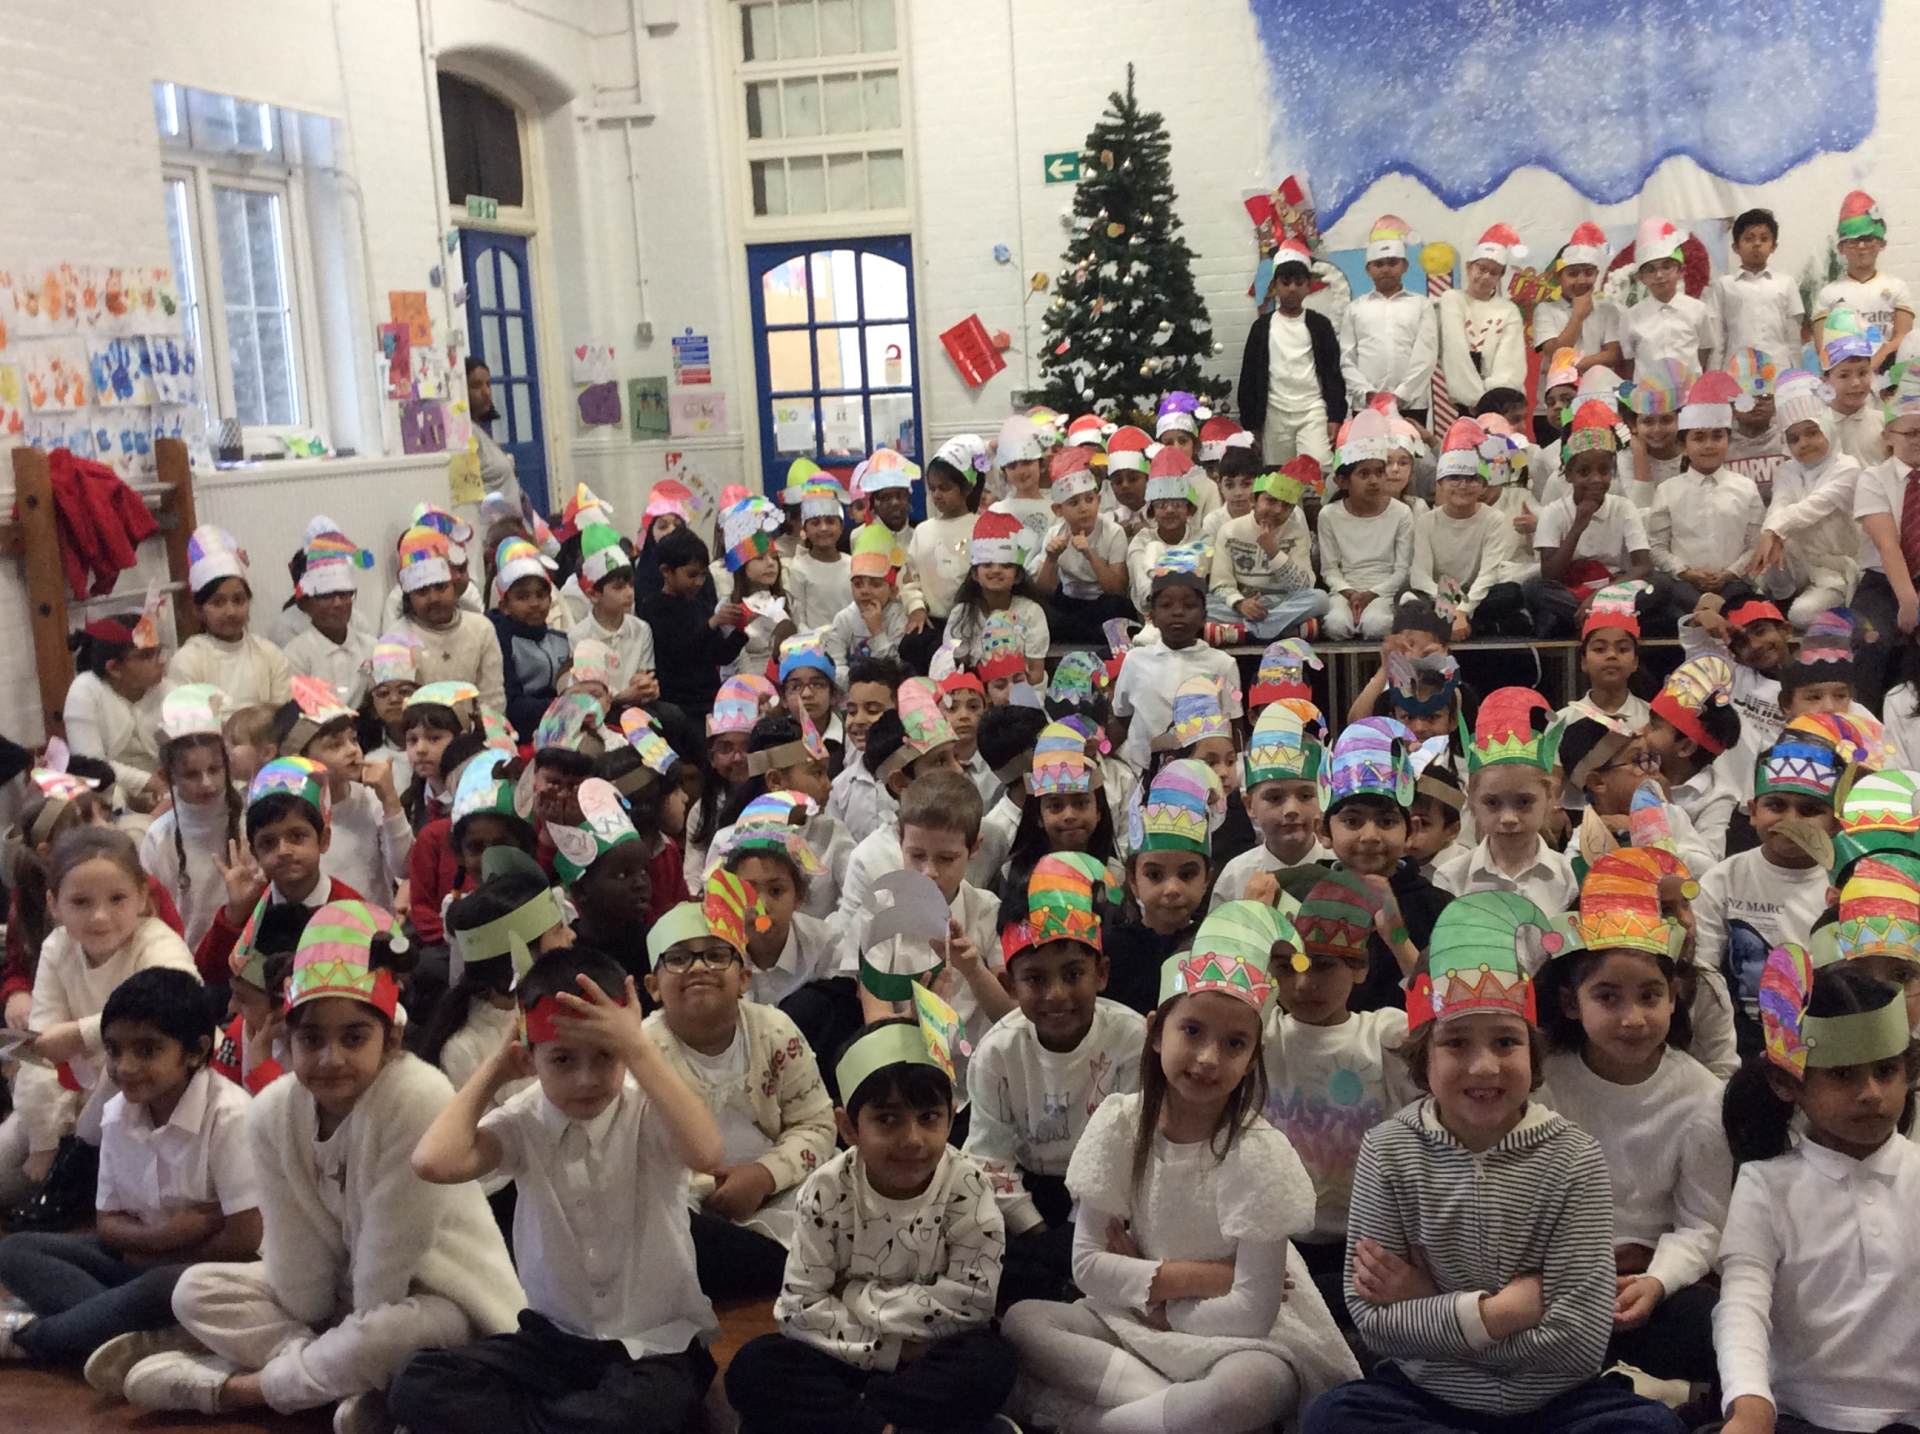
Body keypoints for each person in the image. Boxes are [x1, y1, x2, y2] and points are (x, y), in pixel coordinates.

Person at [114, 902, 524, 1422]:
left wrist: (347, 1326)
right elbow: (299, 1277)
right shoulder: (272, 1112)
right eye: (312, 1039)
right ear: (288, 1040)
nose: (332, 1058)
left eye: (354, 1038)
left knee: (400, 1330)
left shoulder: (418, 1095)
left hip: (429, 1297)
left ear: (391, 1039)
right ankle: (346, 1387)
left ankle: (235, 1389)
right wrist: (327, 1331)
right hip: (334, 1305)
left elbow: (385, 1275)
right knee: (194, 1292)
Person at [1300, 892, 1684, 1434]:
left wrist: (1427, 1302)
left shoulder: (1574, 1158)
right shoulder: (1388, 1151)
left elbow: (1580, 1342)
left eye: (1505, 1042)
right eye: (1456, 1044)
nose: (1484, 1067)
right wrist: (1496, 1314)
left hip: (1556, 1399)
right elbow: (1373, 1323)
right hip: (1426, 1394)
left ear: (1532, 1052)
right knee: (1332, 1417)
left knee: (1649, 1428)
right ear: (1423, 1057)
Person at [1003, 904, 1359, 1433]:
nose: (1209, 1057)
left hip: (1236, 1340)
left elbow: (1252, 1312)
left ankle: (1095, 1424)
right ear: (1155, 1032)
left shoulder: (1259, 1151)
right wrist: (1205, 1277)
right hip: (1137, 1314)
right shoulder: (1120, 1123)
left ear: (1252, 1058)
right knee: (1024, 1320)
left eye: (1234, 1044)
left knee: (1252, 1387)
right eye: (1192, 1030)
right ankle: (1167, 1412)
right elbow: (1089, 1267)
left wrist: (1161, 1308)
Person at [723, 1017, 1017, 1434]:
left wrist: (853, 1294)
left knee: (990, 1361)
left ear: (951, 1119)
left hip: (928, 1355)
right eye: (888, 1119)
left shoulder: (969, 1187)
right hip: (852, 1353)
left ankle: (851, 1420)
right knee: (756, 1367)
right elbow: (798, 1310)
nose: (912, 1139)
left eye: (929, 1117)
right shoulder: (826, 1189)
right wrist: (893, 1350)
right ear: (848, 1127)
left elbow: (971, 1304)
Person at [1535, 856, 1733, 1393]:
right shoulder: (1543, 1082)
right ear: (1570, 1003)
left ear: (1674, 996)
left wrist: (1657, 1281)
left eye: (1650, 996)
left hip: (1649, 1281)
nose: (1632, 1019)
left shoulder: (1701, 1097)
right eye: (1607, 997)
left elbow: (1702, 1223)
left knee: (1713, 1328)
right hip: (1557, 1279)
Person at [0, 968, 259, 1371]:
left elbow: (244, 1239)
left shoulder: (231, 1116)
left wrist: (157, 1256)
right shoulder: (117, 1113)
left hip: (207, 1273)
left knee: (166, 1286)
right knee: (16, 1250)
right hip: (140, 1260)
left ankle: (31, 1339)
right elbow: (107, 1222)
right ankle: (133, 1333)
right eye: (114, 1050)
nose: (125, 1066)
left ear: (195, 1051)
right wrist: (164, 1237)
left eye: (147, 1050)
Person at [1714, 952, 1920, 1434]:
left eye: (1886, 1071)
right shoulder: (1765, 1186)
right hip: (1800, 1416)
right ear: (1787, 1083)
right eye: (1843, 1075)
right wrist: (1750, 1403)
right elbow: (1742, 1304)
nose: (1871, 1093)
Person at [641, 873, 837, 1303]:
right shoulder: (642, 1053)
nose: (698, 968)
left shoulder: (774, 1030)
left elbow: (817, 1124)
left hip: (780, 1189)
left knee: (843, 1196)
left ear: (744, 977)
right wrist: (714, 1191)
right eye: (678, 959)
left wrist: (763, 1176)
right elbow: (639, 1160)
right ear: (653, 987)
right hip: (693, 1205)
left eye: (716, 955)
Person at [966, 854, 1144, 1309]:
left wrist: (1078, 1233)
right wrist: (1039, 1232)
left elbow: (1128, 1148)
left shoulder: (1130, 1039)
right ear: (1010, 984)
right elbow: (991, 1158)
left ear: (1101, 973)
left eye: (1073, 974)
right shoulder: (997, 1052)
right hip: (1027, 1194)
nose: (1057, 994)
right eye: (1035, 979)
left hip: (1108, 1192)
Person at [5, 829, 199, 1223]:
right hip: (69, 1100)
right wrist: (44, 1140)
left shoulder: (155, 941)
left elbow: (180, 1001)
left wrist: (80, 1034)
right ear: (54, 904)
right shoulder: (57, 948)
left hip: (145, 1101)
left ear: (142, 897)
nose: (99, 916)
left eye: (117, 899)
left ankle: (72, 1184)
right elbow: (40, 1052)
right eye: (81, 902)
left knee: (117, 1074)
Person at [1260, 868, 1419, 1316]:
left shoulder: (1380, 1033)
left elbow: (1447, 1019)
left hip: (1369, 1241)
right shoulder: (1262, 1035)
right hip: (1282, 1243)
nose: (1303, 983)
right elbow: (1219, 1004)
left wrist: (1397, 938)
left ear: (1360, 966)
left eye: (1323, 964)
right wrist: (1253, 918)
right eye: (1286, 967)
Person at [1692, 718, 1850, 1060]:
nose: (1791, 820)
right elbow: (1703, 975)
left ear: (1836, 823)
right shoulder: (1723, 879)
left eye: (1809, 810)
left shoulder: (1849, 885)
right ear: (1752, 811)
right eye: (1776, 806)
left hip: (1831, 1041)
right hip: (1742, 1043)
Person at [1317, 718, 1450, 1013]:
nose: (1370, 836)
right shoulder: (1305, 897)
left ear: (1411, 831)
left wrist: (1398, 938)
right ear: (1323, 832)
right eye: (1352, 821)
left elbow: (1447, 1007)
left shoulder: (1438, 909)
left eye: (1387, 821)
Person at [192, 757, 364, 983]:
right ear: (254, 852)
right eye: (268, 843)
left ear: (323, 840)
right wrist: (235, 914)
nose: (283, 851)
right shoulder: (252, 907)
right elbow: (208, 976)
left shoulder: (350, 909)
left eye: (297, 837)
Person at [1433, 689, 1577, 916]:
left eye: (1523, 802)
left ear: (1549, 797)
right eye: (1492, 803)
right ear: (1472, 801)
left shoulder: (1568, 878)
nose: (1508, 818)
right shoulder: (1451, 878)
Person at [274, 678, 411, 913]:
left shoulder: (370, 800)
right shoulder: (287, 814)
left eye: (353, 739)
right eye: (335, 745)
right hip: (312, 928)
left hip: (371, 926)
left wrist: (390, 799)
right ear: (300, 759)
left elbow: (405, 867)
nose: (352, 750)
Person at [1525, 401, 1654, 638]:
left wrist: (1601, 596)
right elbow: (1550, 574)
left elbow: (1643, 565)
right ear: (1568, 474)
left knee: (1659, 586)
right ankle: (1606, 618)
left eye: (1604, 471)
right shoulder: (1554, 512)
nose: (1596, 479)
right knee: (1534, 588)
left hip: (1614, 586)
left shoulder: (1623, 507)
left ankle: (1589, 617)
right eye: (1584, 472)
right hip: (1570, 589)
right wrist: (1578, 526)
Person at [1648, 372, 1765, 626]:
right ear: (1684, 444)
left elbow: (1754, 545)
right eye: (1699, 437)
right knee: (1663, 589)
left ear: (1728, 440)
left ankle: (1707, 613)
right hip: (1683, 586)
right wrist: (1687, 572)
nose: (1709, 445)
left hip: (1734, 584)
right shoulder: (1667, 490)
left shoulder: (1746, 488)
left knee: (1744, 595)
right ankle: (1708, 612)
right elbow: (1657, 548)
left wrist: (1729, 574)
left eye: (1717, 436)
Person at [1111, 548, 1244, 772]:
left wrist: (1235, 775)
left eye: (1189, 605)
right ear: (1151, 616)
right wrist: (1101, 752)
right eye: (1166, 605)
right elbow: (1122, 719)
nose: (1178, 612)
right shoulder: (1135, 660)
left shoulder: (1222, 664)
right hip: (1141, 772)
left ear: (1204, 616)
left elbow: (1235, 727)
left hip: (1203, 776)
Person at [139, 684, 246, 955]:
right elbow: (151, 917)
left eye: (214, 769)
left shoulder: (248, 821)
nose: (207, 783)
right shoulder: (159, 837)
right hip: (181, 958)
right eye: (192, 774)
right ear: (168, 776)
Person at [1411, 418, 1533, 637]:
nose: (1463, 485)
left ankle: (1452, 626)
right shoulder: (1426, 521)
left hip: (1480, 594)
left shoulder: (1494, 519)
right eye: (1454, 478)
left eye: (1471, 479)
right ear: (1440, 484)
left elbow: (1488, 574)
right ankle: (1481, 626)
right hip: (1442, 593)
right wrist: (1453, 604)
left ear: (1483, 485)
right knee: (1411, 602)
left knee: (1510, 593)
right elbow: (1420, 576)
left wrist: (1462, 611)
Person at [1213, 694, 1331, 906]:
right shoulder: (1235, 877)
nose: (1291, 809)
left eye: (1305, 796)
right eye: (1274, 798)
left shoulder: (1342, 868)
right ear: (1249, 805)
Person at [1238, 235, 1345, 467]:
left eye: (1299, 282)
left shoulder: (1319, 325)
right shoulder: (1262, 327)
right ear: (1275, 286)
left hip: (1312, 409)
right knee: (1278, 474)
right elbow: (1249, 376)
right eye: (1285, 283)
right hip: (1274, 412)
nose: (1292, 289)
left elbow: (1333, 373)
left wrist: (1335, 416)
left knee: (1320, 466)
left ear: (1308, 286)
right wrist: (1251, 423)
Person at [1847, 389, 1920, 709]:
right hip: (1883, 581)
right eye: (1911, 433)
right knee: (1869, 639)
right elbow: (1887, 544)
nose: (1918, 440)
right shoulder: (1874, 478)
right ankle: (1868, 723)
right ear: (1889, 436)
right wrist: (1908, 600)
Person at [167, 525, 293, 708]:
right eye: (218, 603)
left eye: (238, 600)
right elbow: (189, 724)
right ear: (198, 610)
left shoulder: (270, 655)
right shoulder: (187, 661)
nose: (231, 611)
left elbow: (284, 718)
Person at [1208, 458, 1332, 642]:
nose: (1277, 510)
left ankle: (1247, 632)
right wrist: (1240, 603)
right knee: (1203, 605)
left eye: (1286, 505)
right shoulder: (1230, 530)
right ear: (1253, 500)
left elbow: (1303, 586)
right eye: (1271, 501)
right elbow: (1220, 584)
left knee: (1320, 599)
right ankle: (1285, 630)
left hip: (1283, 603)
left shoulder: (1296, 531)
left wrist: (1273, 550)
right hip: (1244, 604)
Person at [62, 598, 168, 811]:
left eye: (159, 652)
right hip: (107, 797)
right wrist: (148, 783)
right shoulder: (85, 691)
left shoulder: (168, 689)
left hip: (165, 792)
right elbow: (91, 768)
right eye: (147, 655)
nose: (161, 661)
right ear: (114, 668)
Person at [1320, 403, 1415, 640]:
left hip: (1384, 592)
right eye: (1364, 474)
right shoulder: (1329, 515)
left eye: (1379, 472)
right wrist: (1349, 592)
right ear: (1343, 481)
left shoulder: (1401, 513)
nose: (1374, 481)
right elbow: (1329, 569)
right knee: (1336, 625)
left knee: (1377, 626)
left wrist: (1372, 594)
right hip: (1344, 591)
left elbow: (1402, 570)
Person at [390, 524, 507, 712]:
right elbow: (401, 713)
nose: (434, 598)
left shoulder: (481, 629)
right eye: (422, 591)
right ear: (409, 596)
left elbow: (493, 701)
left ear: (454, 586)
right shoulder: (396, 641)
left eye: (441, 587)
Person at [1642, 655, 1745, 865]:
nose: (1641, 731)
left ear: (1685, 747)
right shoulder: (1637, 770)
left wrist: (1666, 808)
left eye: (1653, 727)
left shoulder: (1718, 797)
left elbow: (1706, 865)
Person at [638, 526, 750, 720]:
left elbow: (720, 655)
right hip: (677, 703)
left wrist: (740, 628)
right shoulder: (654, 607)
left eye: (703, 575)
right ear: (666, 571)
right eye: (692, 575)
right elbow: (679, 653)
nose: (699, 582)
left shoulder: (700, 606)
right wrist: (712, 623)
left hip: (710, 699)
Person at [1337, 214, 1437, 426]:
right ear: (1368, 269)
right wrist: (1367, 393)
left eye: (1392, 263)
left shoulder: (1421, 305)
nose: (1385, 269)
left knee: (1410, 448)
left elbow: (1426, 355)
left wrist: (1401, 394)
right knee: (1368, 449)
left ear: (1405, 266)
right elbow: (1347, 358)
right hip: (1366, 404)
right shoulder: (1355, 309)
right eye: (1378, 264)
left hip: (1411, 403)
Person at [901, 434, 987, 669]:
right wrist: (916, 607)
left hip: (974, 623)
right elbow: (910, 579)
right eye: (933, 488)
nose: (937, 495)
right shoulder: (923, 531)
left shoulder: (981, 527)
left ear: (966, 488)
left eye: (945, 488)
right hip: (933, 622)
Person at [1031, 446, 1133, 642]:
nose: (1084, 508)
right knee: (1039, 610)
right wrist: (1051, 559)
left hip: (1102, 603)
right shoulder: (1055, 534)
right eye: (1074, 503)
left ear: (1098, 500)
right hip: (1069, 602)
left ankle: (1078, 634)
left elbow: (1117, 590)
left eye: (1089, 500)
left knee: (1116, 606)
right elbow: (1044, 592)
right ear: (1058, 509)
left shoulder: (1113, 532)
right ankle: (1082, 633)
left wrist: (1090, 554)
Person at [1810, 189, 1914, 372]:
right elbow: (1823, 349)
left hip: (1888, 378)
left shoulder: (1898, 287)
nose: (1861, 246)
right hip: (1845, 380)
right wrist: (1856, 371)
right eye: (1853, 240)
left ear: (1881, 243)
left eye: (1868, 239)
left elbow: (1904, 339)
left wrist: (1876, 360)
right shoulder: (1828, 294)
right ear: (1841, 247)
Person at [943, 511, 1049, 687]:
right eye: (987, 565)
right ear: (975, 574)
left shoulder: (1032, 612)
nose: (996, 570)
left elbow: (1035, 672)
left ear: (1017, 576)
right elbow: (954, 667)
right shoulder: (961, 614)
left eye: (1006, 566)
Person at [281, 519, 377, 709]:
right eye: (326, 596)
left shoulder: (371, 647)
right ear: (306, 604)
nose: (338, 603)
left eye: (344, 594)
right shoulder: (295, 656)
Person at [1435, 224, 1528, 414]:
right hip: (1466, 403)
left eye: (1494, 272)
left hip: (1501, 403)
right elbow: (1455, 353)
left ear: (1500, 276)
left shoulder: (1508, 310)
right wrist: (1473, 397)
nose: (1486, 277)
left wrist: (1488, 400)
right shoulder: (1452, 300)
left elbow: (1511, 363)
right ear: (1469, 267)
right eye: (1481, 268)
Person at [566, 522, 658, 704]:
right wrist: (623, 697)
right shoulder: (578, 637)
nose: (629, 593)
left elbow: (644, 676)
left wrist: (646, 685)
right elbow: (588, 699)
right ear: (593, 594)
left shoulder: (641, 629)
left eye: (631, 585)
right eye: (619, 587)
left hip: (637, 709)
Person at [1706, 209, 1807, 367]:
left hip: (1778, 369)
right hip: (1736, 369)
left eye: (1764, 239)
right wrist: (1714, 375)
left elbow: (1793, 338)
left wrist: (1797, 373)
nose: (1757, 244)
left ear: (1773, 246)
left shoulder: (1786, 283)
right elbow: (1718, 338)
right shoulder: (1724, 285)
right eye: (1749, 239)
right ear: (1735, 247)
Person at [1532, 222, 1625, 378]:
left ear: (1596, 274)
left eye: (1588, 273)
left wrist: (1571, 365)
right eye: (1573, 274)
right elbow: (1554, 353)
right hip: (1557, 390)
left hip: (1598, 387)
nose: (1581, 281)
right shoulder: (1545, 310)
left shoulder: (1608, 309)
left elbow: (1614, 355)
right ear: (1559, 277)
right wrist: (1577, 316)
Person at [1621, 216, 1711, 372]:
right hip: (1647, 387)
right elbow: (1629, 360)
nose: (1659, 275)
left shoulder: (1698, 310)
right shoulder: (1631, 317)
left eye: (1667, 267)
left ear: (1680, 271)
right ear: (1641, 277)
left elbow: (1704, 349)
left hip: (1690, 386)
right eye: (1650, 270)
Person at [1560, 580, 1653, 727]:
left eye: (1623, 649)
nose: (1611, 655)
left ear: (1635, 662)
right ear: (1583, 662)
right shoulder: (1563, 721)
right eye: (1599, 649)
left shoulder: (1652, 720)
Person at [826, 531, 907, 681]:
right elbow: (835, 665)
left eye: (875, 584)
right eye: (858, 584)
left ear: (892, 590)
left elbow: (895, 669)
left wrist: (876, 631)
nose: (865, 591)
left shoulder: (898, 616)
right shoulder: (844, 618)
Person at [784, 464, 854, 632]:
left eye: (830, 521)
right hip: (814, 643)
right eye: (815, 523)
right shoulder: (798, 567)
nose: (823, 528)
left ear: (841, 527)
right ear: (805, 529)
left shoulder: (852, 564)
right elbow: (798, 617)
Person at [464, 357, 521, 510]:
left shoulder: (481, 431)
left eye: (488, 384)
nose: (486, 392)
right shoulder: (467, 434)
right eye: (476, 386)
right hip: (493, 523)